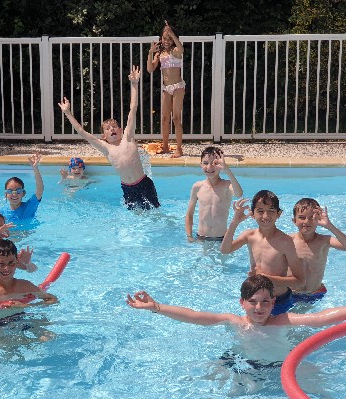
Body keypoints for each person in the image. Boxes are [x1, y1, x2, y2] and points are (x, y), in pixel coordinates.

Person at [58, 66, 161, 210]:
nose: (112, 129)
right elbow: (81, 131)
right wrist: (68, 113)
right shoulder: (105, 147)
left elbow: (133, 109)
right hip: (128, 188)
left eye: (114, 126)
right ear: (103, 136)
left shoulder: (128, 138)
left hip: (143, 183)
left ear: (120, 130)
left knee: (155, 213)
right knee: (136, 219)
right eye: (108, 128)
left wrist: (135, 85)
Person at [127, 274, 346, 328]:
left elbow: (322, 317)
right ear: (242, 302)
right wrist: (157, 307)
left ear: (273, 303)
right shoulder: (233, 321)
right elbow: (194, 315)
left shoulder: (283, 320)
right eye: (253, 302)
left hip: (277, 366)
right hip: (238, 362)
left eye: (265, 302)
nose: (259, 308)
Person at [220, 190, 305, 315]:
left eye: (271, 211)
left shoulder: (285, 242)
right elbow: (225, 250)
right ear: (252, 214)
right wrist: (234, 223)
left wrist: (266, 278)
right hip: (255, 299)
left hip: (278, 301)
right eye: (260, 211)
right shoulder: (249, 236)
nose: (265, 216)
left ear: (278, 214)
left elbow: (299, 281)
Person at [289, 198, 346, 304]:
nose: (307, 221)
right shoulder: (287, 241)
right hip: (291, 294)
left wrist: (328, 225)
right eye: (302, 217)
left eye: (312, 217)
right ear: (294, 221)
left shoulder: (325, 241)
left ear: (318, 219)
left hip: (316, 293)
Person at [0, 239, 57, 315]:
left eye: (11, 263)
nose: (6, 268)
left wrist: (26, 307)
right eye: (1, 264)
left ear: (17, 262)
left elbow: (52, 299)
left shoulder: (24, 286)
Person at [185, 146, 243, 242]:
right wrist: (189, 236)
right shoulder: (197, 187)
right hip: (201, 238)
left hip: (222, 239)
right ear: (201, 165)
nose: (209, 167)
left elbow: (239, 194)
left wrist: (227, 170)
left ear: (221, 165)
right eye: (205, 163)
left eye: (215, 163)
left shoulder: (227, 185)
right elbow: (189, 214)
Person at [146, 21, 185, 158]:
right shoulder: (160, 54)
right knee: (164, 118)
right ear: (160, 39)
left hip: (178, 87)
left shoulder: (176, 51)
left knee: (176, 118)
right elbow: (150, 69)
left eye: (169, 38)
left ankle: (179, 149)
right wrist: (151, 53)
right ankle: (166, 146)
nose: (167, 41)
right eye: (164, 38)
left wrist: (171, 33)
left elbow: (181, 48)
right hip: (166, 88)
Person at [0, 153, 44, 223]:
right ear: (6, 194)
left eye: (18, 191)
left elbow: (40, 190)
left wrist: (35, 168)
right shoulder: (1, 212)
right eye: (10, 191)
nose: (14, 194)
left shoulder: (29, 207)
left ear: (23, 193)